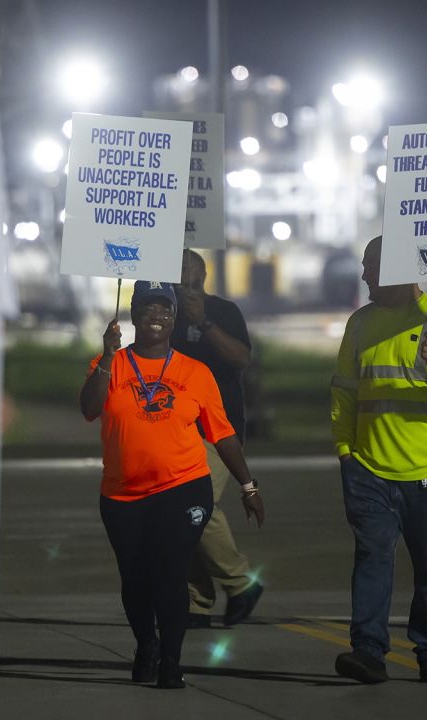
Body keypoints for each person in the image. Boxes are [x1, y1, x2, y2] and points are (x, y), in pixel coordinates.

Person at [80, 280, 264, 689]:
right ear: (134, 314)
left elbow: (224, 434)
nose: (157, 316)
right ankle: (147, 645)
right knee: (135, 577)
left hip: (182, 487)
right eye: (148, 308)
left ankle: (171, 661)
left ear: (175, 316)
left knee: (170, 571)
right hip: (122, 494)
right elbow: (90, 409)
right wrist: (108, 357)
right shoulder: (110, 365)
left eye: (165, 308)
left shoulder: (195, 372)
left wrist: (247, 485)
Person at [329, 236, 427, 685]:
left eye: (371, 266)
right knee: (372, 557)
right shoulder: (360, 323)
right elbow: (344, 391)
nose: (364, 276)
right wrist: (345, 452)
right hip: (369, 469)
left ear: (395, 268)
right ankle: (368, 652)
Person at [170, 250, 263, 628]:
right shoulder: (166, 314)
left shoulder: (223, 312)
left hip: (217, 427)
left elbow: (241, 358)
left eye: (190, 278)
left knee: (197, 504)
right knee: (179, 514)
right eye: (178, 278)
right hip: (175, 426)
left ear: (204, 276)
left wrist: (203, 322)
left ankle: (241, 583)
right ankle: (197, 601)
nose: (184, 285)